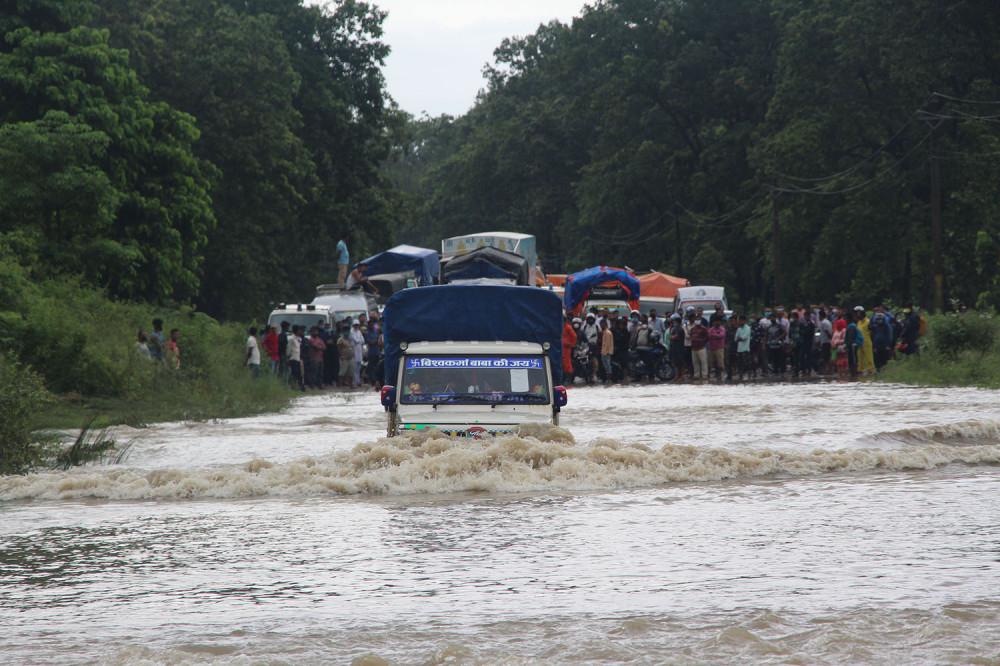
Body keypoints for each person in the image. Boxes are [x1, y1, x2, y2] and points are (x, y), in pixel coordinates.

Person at [689, 316, 709, 380]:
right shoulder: (692, 329)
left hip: (701, 348)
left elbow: (708, 337)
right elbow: (691, 336)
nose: (697, 321)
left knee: (703, 362)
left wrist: (702, 341)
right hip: (694, 348)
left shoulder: (704, 328)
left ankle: (704, 375)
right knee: (695, 363)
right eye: (696, 320)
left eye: (698, 320)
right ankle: (696, 375)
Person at [287, 325, 304, 391]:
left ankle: (300, 387)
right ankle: (293, 387)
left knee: (299, 374)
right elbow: (289, 349)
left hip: (297, 358)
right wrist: (288, 357)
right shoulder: (291, 339)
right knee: (294, 374)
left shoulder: (298, 338)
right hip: (293, 358)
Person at [735, 315, 752, 380]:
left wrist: (740, 339)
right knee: (740, 363)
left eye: (741, 320)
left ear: (744, 321)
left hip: (746, 348)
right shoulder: (739, 329)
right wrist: (740, 339)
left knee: (747, 363)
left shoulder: (748, 328)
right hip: (739, 349)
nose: (740, 322)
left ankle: (749, 375)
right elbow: (735, 338)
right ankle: (741, 376)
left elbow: (744, 337)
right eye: (739, 320)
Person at [350, 320, 365, 387]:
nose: (356, 326)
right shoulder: (351, 331)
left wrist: (358, 341)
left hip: (359, 349)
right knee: (355, 367)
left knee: (359, 366)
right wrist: (359, 341)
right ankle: (354, 382)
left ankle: (358, 381)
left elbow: (363, 340)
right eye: (355, 325)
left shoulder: (359, 331)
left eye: (357, 325)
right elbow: (355, 340)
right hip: (354, 349)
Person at [599, 318, 614, 383]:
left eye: (602, 324)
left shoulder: (607, 333)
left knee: (607, 365)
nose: (601, 326)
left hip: (606, 352)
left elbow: (607, 344)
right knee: (606, 366)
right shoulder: (604, 332)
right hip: (604, 351)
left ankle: (609, 379)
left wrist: (604, 352)